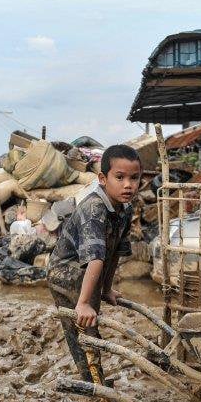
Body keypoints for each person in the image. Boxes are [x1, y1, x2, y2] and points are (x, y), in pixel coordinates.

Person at [47, 144, 141, 383]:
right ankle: (94, 384)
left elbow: (115, 252)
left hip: (87, 268)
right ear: (103, 178)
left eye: (134, 178)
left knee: (90, 318)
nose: (128, 185)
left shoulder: (125, 208)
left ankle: (93, 379)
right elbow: (97, 258)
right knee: (84, 325)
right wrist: (83, 303)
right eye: (119, 177)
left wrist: (106, 288)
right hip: (66, 271)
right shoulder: (94, 209)